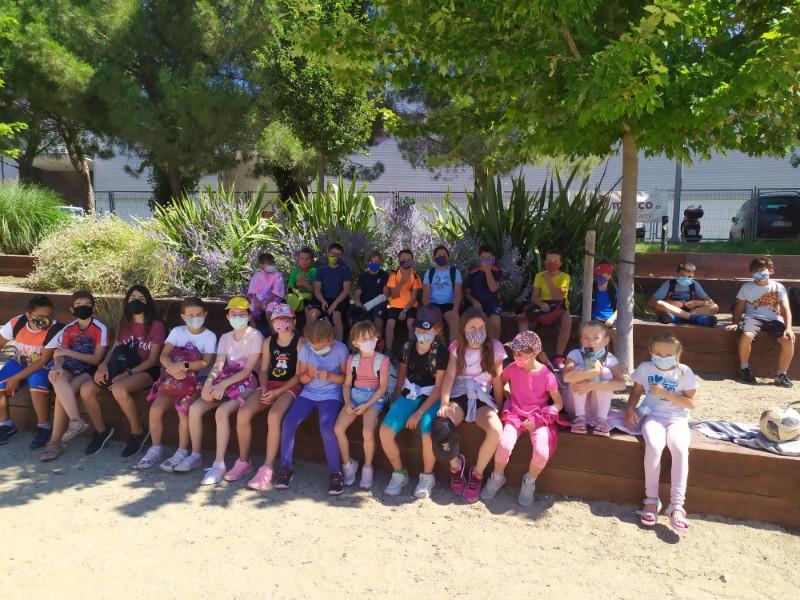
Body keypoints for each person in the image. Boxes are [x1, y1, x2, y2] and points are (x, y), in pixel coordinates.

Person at [176, 296, 262, 484]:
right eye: (233, 314)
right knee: (195, 408)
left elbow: (248, 370)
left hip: (247, 383)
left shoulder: (255, 336)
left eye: (242, 314)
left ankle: (219, 464)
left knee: (222, 412)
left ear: (248, 316)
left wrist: (222, 385)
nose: (237, 317)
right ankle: (195, 455)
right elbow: (218, 365)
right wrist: (209, 382)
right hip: (226, 380)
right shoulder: (225, 338)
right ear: (228, 316)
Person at [625, 332, 697, 533]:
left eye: (668, 355)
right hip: (653, 416)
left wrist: (665, 393)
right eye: (658, 354)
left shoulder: (684, 372)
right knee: (654, 447)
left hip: (677, 418)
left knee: (680, 449)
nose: (662, 358)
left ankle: (677, 505)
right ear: (651, 352)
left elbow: (691, 403)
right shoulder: (645, 368)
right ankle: (651, 500)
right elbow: (636, 393)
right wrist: (630, 410)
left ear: (677, 355)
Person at [81, 285, 166, 458]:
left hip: (147, 370)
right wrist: (103, 365)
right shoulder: (125, 322)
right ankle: (102, 430)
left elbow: (152, 360)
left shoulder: (156, 326)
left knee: (119, 389)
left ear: (148, 302)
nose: (136, 301)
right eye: (132, 298)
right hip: (121, 366)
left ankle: (138, 431)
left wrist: (127, 374)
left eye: (141, 298)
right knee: (86, 389)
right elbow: (116, 347)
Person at [480, 331, 563, 506]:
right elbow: (500, 382)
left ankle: (529, 481)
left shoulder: (547, 375)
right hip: (515, 415)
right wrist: (508, 396)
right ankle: (497, 477)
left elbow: (558, 404)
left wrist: (538, 419)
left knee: (542, 452)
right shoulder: (512, 368)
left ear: (535, 353)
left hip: (538, 418)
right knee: (504, 445)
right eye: (514, 352)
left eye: (521, 352)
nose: (516, 356)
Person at [134, 297, 217, 470]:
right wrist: (171, 368)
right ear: (183, 316)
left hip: (195, 382)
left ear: (205, 314)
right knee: (155, 409)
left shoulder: (209, 336)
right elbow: (164, 355)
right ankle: (156, 448)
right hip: (173, 380)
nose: (195, 318)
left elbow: (205, 362)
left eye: (199, 314)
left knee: (183, 409)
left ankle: (181, 451)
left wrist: (183, 366)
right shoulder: (177, 332)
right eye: (190, 315)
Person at [433, 307, 506, 503]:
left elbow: (497, 380)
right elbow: (449, 376)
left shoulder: (495, 347)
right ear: (463, 329)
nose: (477, 331)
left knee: (496, 430)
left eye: (481, 327)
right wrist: (445, 402)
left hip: (482, 397)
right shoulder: (457, 347)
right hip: (460, 394)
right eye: (472, 327)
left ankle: (477, 474)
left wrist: (500, 408)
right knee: (441, 425)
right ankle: (456, 466)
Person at [380, 306, 449, 498]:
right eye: (419, 329)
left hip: (431, 396)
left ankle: (427, 476)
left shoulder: (441, 352)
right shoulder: (407, 347)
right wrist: (396, 396)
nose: (422, 333)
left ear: (437, 330)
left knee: (427, 432)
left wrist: (419, 413)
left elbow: (438, 387)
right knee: (385, 431)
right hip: (410, 392)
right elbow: (402, 373)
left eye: (427, 330)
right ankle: (399, 472)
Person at [275, 319, 350, 496]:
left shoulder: (340, 350)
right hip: (309, 393)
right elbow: (300, 378)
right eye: (313, 347)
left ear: (330, 339)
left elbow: (346, 379)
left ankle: (335, 473)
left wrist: (329, 376)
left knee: (326, 426)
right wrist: (308, 376)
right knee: (289, 421)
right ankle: (286, 468)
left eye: (320, 347)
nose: (316, 350)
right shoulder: (306, 349)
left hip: (332, 394)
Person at [40, 292, 109, 461]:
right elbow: (59, 354)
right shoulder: (69, 328)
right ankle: (75, 420)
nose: (82, 307)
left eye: (87, 304)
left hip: (89, 370)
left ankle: (54, 442)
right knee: (56, 377)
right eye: (78, 304)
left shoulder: (100, 328)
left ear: (93, 307)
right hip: (70, 366)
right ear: (72, 309)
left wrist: (69, 352)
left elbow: (96, 359)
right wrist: (57, 366)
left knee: (63, 395)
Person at [243, 304, 304, 490]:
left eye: (285, 319)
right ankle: (243, 461)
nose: (280, 323)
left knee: (274, 415)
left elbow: (299, 376)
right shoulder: (269, 341)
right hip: (269, 384)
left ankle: (267, 467)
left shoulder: (300, 342)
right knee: (244, 413)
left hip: (290, 386)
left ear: (293, 321)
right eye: (276, 319)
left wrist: (278, 392)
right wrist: (263, 388)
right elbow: (263, 370)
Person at [0, 294, 61, 448]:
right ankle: (6, 425)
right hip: (20, 361)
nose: (45, 320)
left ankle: (44, 427)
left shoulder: (55, 329)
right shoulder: (17, 323)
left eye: (49, 316)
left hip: (44, 366)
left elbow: (42, 361)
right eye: (40, 317)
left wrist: (16, 378)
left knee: (36, 380)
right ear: (28, 315)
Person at [335, 321, 389, 489]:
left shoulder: (382, 360)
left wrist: (367, 405)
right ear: (356, 343)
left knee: (367, 431)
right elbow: (346, 384)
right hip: (354, 396)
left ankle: (367, 466)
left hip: (374, 398)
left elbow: (383, 388)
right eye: (364, 339)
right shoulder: (353, 359)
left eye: (372, 338)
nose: (369, 342)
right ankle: (348, 464)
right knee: (338, 428)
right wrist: (347, 403)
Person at [725, 257, 794, 387]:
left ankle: (781, 374)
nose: (759, 273)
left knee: (788, 340)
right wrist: (735, 322)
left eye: (762, 270)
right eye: (755, 271)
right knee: (747, 335)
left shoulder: (778, 287)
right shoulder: (747, 287)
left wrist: (788, 328)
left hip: (774, 319)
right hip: (753, 318)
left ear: (770, 270)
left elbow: (786, 308)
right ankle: (744, 368)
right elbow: (739, 307)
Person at [562, 320, 625, 436]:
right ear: (581, 340)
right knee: (578, 369)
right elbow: (566, 377)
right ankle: (580, 418)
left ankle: (601, 420)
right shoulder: (575, 354)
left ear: (606, 340)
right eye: (586, 338)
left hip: (596, 409)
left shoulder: (610, 359)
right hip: (575, 408)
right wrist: (593, 372)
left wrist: (591, 386)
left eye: (596, 338)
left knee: (605, 372)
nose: (590, 342)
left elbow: (621, 384)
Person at [519, 249, 573, 363]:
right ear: (545, 262)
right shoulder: (539, 276)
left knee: (567, 319)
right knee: (522, 318)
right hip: (542, 305)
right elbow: (534, 297)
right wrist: (540, 304)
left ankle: (559, 356)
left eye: (555, 262)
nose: (552, 264)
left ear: (560, 264)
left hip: (558, 306)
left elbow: (558, 297)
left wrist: (549, 280)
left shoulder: (565, 277)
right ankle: (528, 354)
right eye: (549, 261)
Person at [647, 262, 719, 326]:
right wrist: (671, 303)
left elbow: (710, 302)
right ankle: (694, 319)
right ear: (677, 274)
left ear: (693, 276)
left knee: (715, 307)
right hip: (673, 311)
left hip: (691, 311)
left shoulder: (694, 284)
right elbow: (651, 302)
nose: (686, 278)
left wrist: (697, 303)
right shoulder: (669, 284)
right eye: (683, 275)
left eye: (689, 276)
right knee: (659, 303)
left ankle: (678, 318)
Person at [385, 249, 422, 357]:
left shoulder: (415, 276)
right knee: (390, 323)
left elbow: (414, 297)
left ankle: (411, 349)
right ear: (399, 260)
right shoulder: (393, 275)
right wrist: (401, 282)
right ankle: (388, 349)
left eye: (408, 259)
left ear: (412, 261)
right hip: (395, 305)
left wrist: (405, 311)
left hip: (410, 306)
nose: (406, 261)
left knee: (411, 322)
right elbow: (394, 295)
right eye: (403, 259)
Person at [422, 245, 463, 342]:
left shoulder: (455, 272)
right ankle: (434, 348)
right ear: (434, 258)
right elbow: (425, 294)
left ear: (448, 258)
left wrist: (455, 310)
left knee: (455, 321)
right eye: (438, 255)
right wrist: (427, 309)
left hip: (449, 305)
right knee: (432, 324)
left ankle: (453, 349)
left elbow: (458, 293)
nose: (441, 256)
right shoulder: (429, 273)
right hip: (433, 305)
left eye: (444, 255)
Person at [313, 243, 352, 341]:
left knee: (336, 315)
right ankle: (311, 340)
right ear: (328, 253)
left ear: (342, 256)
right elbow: (317, 290)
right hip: (324, 298)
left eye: (338, 254)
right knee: (312, 314)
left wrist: (334, 305)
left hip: (340, 299)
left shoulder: (345, 270)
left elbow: (346, 290)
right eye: (333, 253)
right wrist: (322, 301)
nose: (335, 256)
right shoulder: (321, 270)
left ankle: (340, 343)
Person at [464, 244, 503, 341]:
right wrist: (474, 301)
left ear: (493, 259)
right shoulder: (473, 273)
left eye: (488, 258)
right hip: (477, 304)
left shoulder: (497, 271)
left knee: (495, 324)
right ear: (479, 258)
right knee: (473, 324)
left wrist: (487, 271)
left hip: (492, 304)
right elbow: (467, 293)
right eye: (483, 258)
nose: (485, 261)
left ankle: (494, 348)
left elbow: (493, 288)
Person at [351, 250, 389, 341]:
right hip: (363, 304)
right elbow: (357, 295)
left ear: (380, 262)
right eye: (371, 261)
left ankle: (379, 342)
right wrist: (359, 304)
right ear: (367, 262)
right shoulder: (363, 276)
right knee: (355, 317)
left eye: (376, 261)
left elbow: (385, 295)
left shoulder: (384, 275)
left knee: (378, 317)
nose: (373, 263)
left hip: (379, 303)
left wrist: (369, 305)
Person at [247, 252, 286, 337]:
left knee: (268, 312)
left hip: (273, 299)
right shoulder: (257, 276)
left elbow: (275, 293)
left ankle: (275, 334)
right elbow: (253, 292)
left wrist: (265, 302)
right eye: (268, 263)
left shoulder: (277, 276)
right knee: (250, 311)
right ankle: (254, 334)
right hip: (259, 299)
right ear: (261, 265)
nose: (271, 265)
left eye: (272, 263)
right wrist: (256, 301)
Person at [285, 247, 320, 325]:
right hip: (297, 299)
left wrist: (304, 283)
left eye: (307, 259)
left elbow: (315, 291)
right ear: (298, 260)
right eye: (302, 258)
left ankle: (308, 328)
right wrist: (297, 286)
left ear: (312, 261)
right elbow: (288, 290)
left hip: (311, 299)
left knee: (308, 309)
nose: (304, 261)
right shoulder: (294, 273)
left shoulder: (314, 272)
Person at [592, 262, 618, 331]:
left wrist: (612, 318)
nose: (599, 275)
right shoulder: (591, 290)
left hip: (610, 321)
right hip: (594, 321)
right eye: (597, 273)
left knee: (615, 331)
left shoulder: (614, 291)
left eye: (602, 273)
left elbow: (620, 308)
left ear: (609, 276)